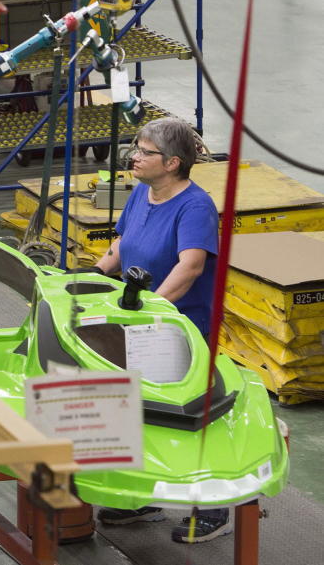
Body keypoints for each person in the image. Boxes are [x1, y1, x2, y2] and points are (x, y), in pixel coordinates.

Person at [92, 116, 228, 543]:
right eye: (137, 148)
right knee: (137, 407)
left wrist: (154, 309)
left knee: (189, 415)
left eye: (144, 151)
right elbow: (121, 244)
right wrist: (90, 277)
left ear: (172, 162)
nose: (134, 156)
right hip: (137, 321)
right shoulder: (140, 193)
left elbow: (190, 267)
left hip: (180, 327)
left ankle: (213, 507)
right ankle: (141, 497)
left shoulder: (195, 206)